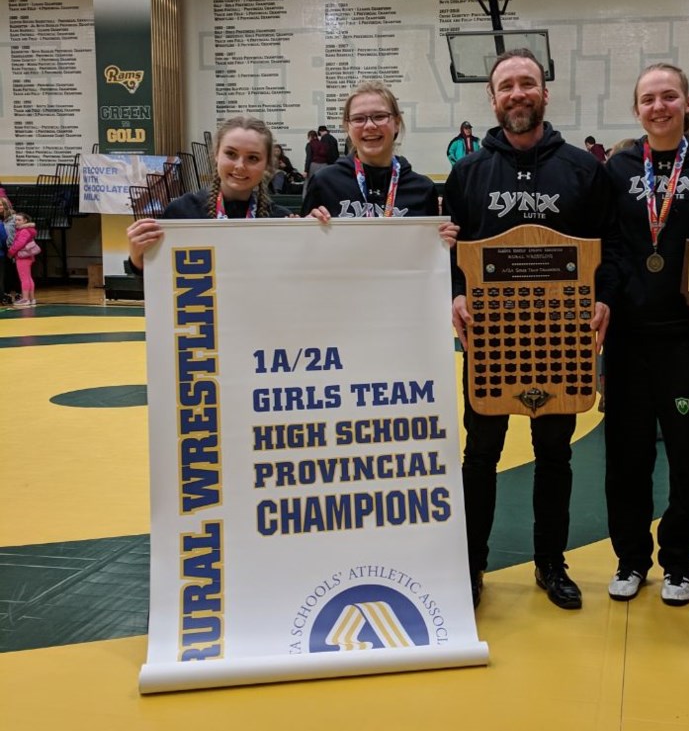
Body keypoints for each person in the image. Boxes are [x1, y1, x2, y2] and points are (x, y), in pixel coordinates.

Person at [444, 48, 618, 611]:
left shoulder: (582, 169)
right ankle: (470, 566)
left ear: (544, 92)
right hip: (492, 338)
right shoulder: (469, 171)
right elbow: (451, 251)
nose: (517, 94)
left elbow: (608, 248)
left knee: (555, 456)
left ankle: (550, 564)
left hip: (560, 337)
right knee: (480, 456)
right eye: (506, 86)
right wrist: (454, 294)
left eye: (527, 83)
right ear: (491, 99)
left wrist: (605, 299)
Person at [602, 64, 689, 607]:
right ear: (637, 109)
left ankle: (679, 561)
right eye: (648, 99)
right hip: (630, 338)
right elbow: (607, 244)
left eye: (668, 97)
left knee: (688, 457)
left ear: (687, 101)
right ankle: (630, 558)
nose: (659, 106)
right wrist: (606, 298)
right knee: (627, 456)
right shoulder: (617, 168)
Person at [127, 115, 328, 269]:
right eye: (231, 154)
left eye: (253, 158)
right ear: (216, 155)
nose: (240, 166)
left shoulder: (280, 220)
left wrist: (310, 236)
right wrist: (138, 260)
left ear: (267, 165)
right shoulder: (182, 212)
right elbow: (160, 289)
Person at [301, 82, 441, 219]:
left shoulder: (423, 189)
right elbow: (304, 240)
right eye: (358, 119)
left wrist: (445, 239)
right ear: (347, 127)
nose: (369, 125)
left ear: (397, 123)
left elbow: (432, 240)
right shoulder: (325, 182)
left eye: (379, 116)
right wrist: (306, 229)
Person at [9, 211, 41, 307]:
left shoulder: (24, 231)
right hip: (28, 257)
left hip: (23, 257)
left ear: (25, 221)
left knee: (24, 279)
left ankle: (25, 299)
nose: (16, 222)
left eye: (19, 220)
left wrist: (10, 252)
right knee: (28, 278)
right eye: (16, 220)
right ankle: (31, 299)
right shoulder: (28, 230)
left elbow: (19, 244)